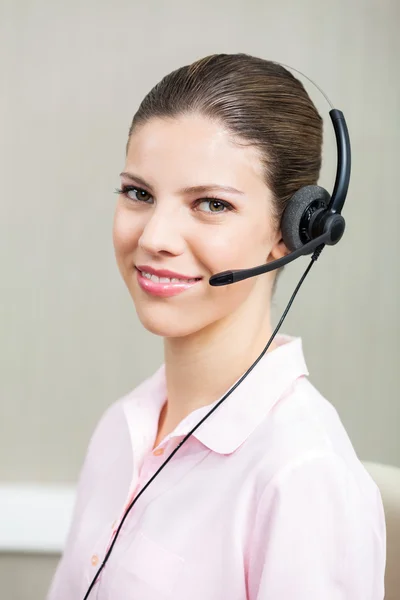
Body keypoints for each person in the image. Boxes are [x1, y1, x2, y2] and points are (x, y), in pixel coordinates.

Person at [47, 54, 386, 599]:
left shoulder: (302, 476)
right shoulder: (122, 427)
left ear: (295, 231)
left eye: (210, 203)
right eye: (139, 193)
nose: (156, 235)